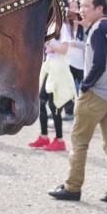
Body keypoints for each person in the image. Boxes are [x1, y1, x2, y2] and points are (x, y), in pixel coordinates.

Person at [48, 0, 107, 205]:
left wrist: (84, 86)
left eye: (85, 6)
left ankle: (72, 187)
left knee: (79, 142)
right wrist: (78, 41)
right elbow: (102, 53)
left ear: (99, 8)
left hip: (96, 94)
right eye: (80, 5)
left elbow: (98, 63)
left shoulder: (99, 29)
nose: (80, 9)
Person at [28, 9, 75, 151]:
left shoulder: (63, 26)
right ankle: (44, 136)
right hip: (50, 65)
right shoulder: (51, 24)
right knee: (42, 102)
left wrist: (47, 42)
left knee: (54, 104)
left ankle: (59, 139)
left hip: (58, 67)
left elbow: (64, 49)